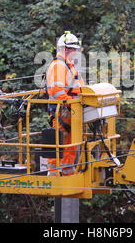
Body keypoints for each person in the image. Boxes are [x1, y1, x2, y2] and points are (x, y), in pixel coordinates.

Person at [45, 31, 84, 176]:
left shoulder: (68, 65)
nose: (76, 52)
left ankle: (67, 169)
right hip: (62, 111)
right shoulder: (58, 66)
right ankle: (53, 173)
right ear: (66, 49)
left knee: (71, 142)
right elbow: (56, 89)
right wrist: (69, 103)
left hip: (71, 110)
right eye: (74, 49)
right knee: (59, 141)